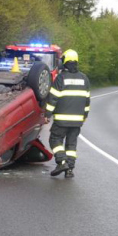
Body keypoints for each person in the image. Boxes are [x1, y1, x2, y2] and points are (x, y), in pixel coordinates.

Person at [45, 49, 90, 178]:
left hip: (61, 120)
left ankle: (62, 162)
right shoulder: (84, 78)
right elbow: (87, 101)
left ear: (64, 61)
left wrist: (47, 115)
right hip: (77, 121)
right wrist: (84, 116)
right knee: (71, 145)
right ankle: (70, 170)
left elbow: (53, 98)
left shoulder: (61, 78)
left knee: (55, 139)